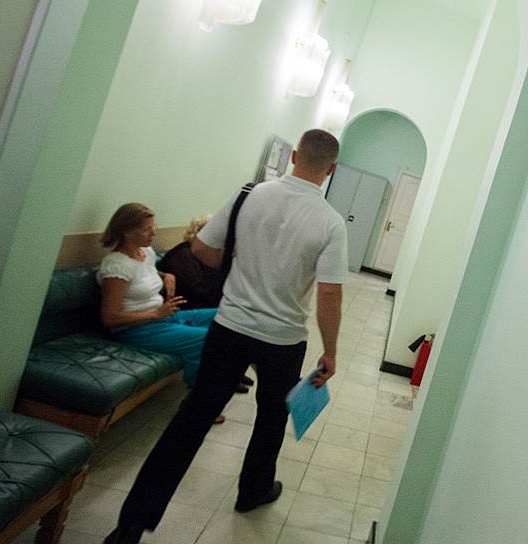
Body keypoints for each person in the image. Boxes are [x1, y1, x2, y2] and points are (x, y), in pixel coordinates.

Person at [104, 129, 348, 544]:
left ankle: (131, 525)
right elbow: (329, 293)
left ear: (293, 157)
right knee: (271, 418)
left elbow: (201, 249)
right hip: (283, 338)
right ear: (331, 169)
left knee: (192, 419)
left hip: (230, 326)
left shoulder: (249, 195)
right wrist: (331, 351)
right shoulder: (330, 222)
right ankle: (253, 491)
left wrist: (245, 269)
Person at [96, 203, 227, 423]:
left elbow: (142, 277)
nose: (154, 232)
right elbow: (109, 318)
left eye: (153, 227)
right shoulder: (116, 265)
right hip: (135, 329)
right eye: (147, 229)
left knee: (226, 314)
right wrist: (156, 314)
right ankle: (198, 403)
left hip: (163, 317)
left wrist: (166, 275)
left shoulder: (145, 252)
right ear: (126, 232)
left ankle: (224, 374)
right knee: (208, 338)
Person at [158, 216, 253, 393]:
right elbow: (198, 291)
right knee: (228, 322)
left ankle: (232, 371)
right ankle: (222, 375)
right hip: (186, 306)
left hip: (200, 304)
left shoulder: (205, 255)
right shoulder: (184, 254)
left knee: (239, 317)